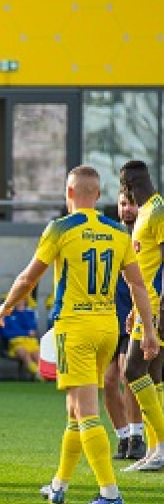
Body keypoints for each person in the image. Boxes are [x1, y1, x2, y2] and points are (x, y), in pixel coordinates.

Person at [0, 165, 157, 504]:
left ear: (69, 193)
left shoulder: (60, 229)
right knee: (74, 412)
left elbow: (28, 279)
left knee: (86, 413)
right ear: (97, 195)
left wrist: (6, 306)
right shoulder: (117, 231)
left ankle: (110, 493)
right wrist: (150, 331)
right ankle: (58, 485)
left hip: (76, 329)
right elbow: (138, 285)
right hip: (107, 328)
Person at [117, 160, 164, 473]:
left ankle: (161, 443)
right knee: (155, 376)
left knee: (133, 369)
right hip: (146, 305)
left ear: (128, 184)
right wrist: (136, 308)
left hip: (158, 304)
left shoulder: (158, 210)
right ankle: (154, 450)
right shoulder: (147, 210)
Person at [105, 191, 145, 461]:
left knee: (126, 375)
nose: (126, 209)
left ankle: (137, 436)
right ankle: (122, 437)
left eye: (131, 204)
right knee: (108, 382)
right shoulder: (113, 237)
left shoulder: (149, 239)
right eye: (122, 204)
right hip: (108, 318)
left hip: (135, 318)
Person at [0, 297, 40, 378]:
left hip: (30, 342)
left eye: (22, 300)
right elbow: (5, 333)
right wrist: (25, 332)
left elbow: (32, 329)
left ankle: (44, 374)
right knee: (23, 352)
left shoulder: (29, 314)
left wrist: (22, 312)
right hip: (16, 342)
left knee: (37, 354)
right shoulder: (7, 315)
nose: (20, 302)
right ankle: (37, 372)